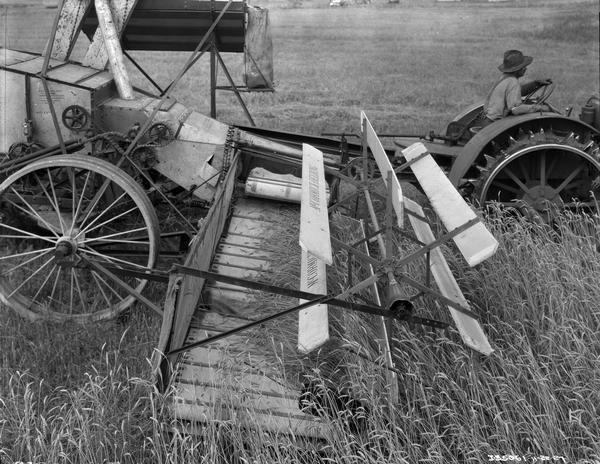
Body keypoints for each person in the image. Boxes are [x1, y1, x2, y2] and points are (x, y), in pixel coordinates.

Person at [481, 49, 551, 126]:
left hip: (487, 119)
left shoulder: (504, 77)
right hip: (494, 123)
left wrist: (536, 83)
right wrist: (540, 108)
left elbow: (516, 92)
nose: (525, 68)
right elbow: (516, 109)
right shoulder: (513, 82)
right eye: (523, 66)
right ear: (517, 69)